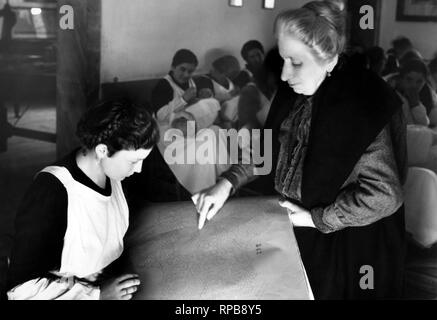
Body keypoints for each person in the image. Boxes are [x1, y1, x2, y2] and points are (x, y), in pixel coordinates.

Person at [195, 0, 407, 299]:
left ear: (329, 56)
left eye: (295, 62)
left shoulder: (361, 103)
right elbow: (267, 152)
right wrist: (227, 183)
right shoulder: (296, 89)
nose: (283, 75)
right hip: (297, 233)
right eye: (283, 59)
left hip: (348, 248)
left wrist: (315, 219)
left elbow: (385, 195)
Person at [6, 99, 159, 300]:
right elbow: (21, 288)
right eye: (134, 161)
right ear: (102, 150)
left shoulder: (115, 176)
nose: (138, 169)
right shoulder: (52, 191)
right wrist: (97, 295)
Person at [391, 59, 437, 126]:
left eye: (419, 82)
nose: (413, 85)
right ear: (401, 79)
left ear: (424, 82)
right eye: (409, 79)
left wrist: (415, 104)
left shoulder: (424, 93)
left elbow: (424, 123)